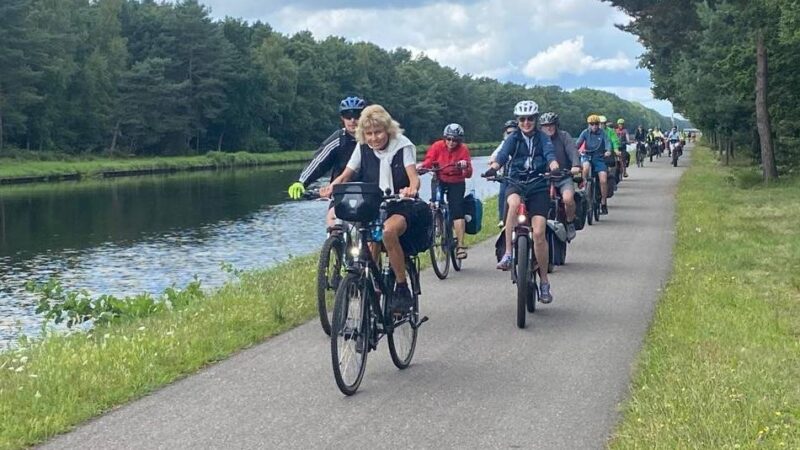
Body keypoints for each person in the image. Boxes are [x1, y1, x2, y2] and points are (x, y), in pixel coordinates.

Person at [320, 104, 423, 313]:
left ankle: (402, 288)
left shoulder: (402, 146)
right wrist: (333, 186)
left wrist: (411, 189)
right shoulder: (362, 146)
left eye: (378, 133)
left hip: (399, 204)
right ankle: (372, 285)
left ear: (388, 130)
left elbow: (414, 178)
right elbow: (348, 173)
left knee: (387, 232)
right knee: (368, 239)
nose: (374, 138)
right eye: (369, 134)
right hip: (373, 204)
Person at [482, 100, 559, 303]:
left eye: (530, 119)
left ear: (535, 120)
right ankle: (508, 253)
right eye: (522, 119)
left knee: (540, 233)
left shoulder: (543, 138)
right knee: (513, 204)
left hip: (538, 184)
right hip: (515, 181)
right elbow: (503, 155)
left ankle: (544, 282)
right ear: (518, 121)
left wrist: (554, 166)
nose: (526, 123)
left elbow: (550, 154)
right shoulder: (514, 138)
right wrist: (494, 168)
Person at [287, 96, 365, 227]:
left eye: (356, 115)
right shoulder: (338, 139)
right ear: (342, 118)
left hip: (368, 191)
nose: (352, 120)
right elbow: (319, 161)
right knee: (333, 222)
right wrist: (301, 182)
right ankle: (334, 244)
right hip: (341, 191)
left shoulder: (373, 137)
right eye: (347, 115)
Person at [419, 123, 473, 259]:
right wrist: (422, 168)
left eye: (455, 140)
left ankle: (460, 245)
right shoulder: (437, 146)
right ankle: (438, 225)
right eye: (448, 139)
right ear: (445, 138)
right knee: (435, 203)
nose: (451, 142)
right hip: (439, 178)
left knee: (457, 210)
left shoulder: (463, 150)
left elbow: (469, 173)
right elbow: (429, 160)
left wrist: (464, 166)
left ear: (459, 141)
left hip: (456, 181)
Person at [539, 112, 581, 240]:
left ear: (556, 125)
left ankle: (569, 222)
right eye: (545, 126)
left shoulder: (564, 136)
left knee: (568, 199)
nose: (549, 128)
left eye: (551, 125)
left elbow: (573, 151)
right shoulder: (538, 139)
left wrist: (575, 165)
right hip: (543, 178)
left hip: (563, 177)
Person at [576, 114, 612, 215]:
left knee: (603, 179)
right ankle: (585, 185)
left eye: (596, 124)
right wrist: (575, 150)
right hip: (587, 156)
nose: (594, 126)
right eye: (592, 124)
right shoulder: (585, 133)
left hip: (599, 158)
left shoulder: (603, 133)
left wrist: (608, 151)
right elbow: (578, 143)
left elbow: (608, 142)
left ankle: (603, 202)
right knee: (586, 167)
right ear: (588, 124)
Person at [489, 120, 518, 226]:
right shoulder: (504, 143)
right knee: (502, 194)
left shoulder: (521, 142)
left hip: (520, 176)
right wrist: (493, 165)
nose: (510, 135)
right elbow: (495, 155)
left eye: (513, 132)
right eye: (508, 132)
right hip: (506, 175)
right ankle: (502, 219)